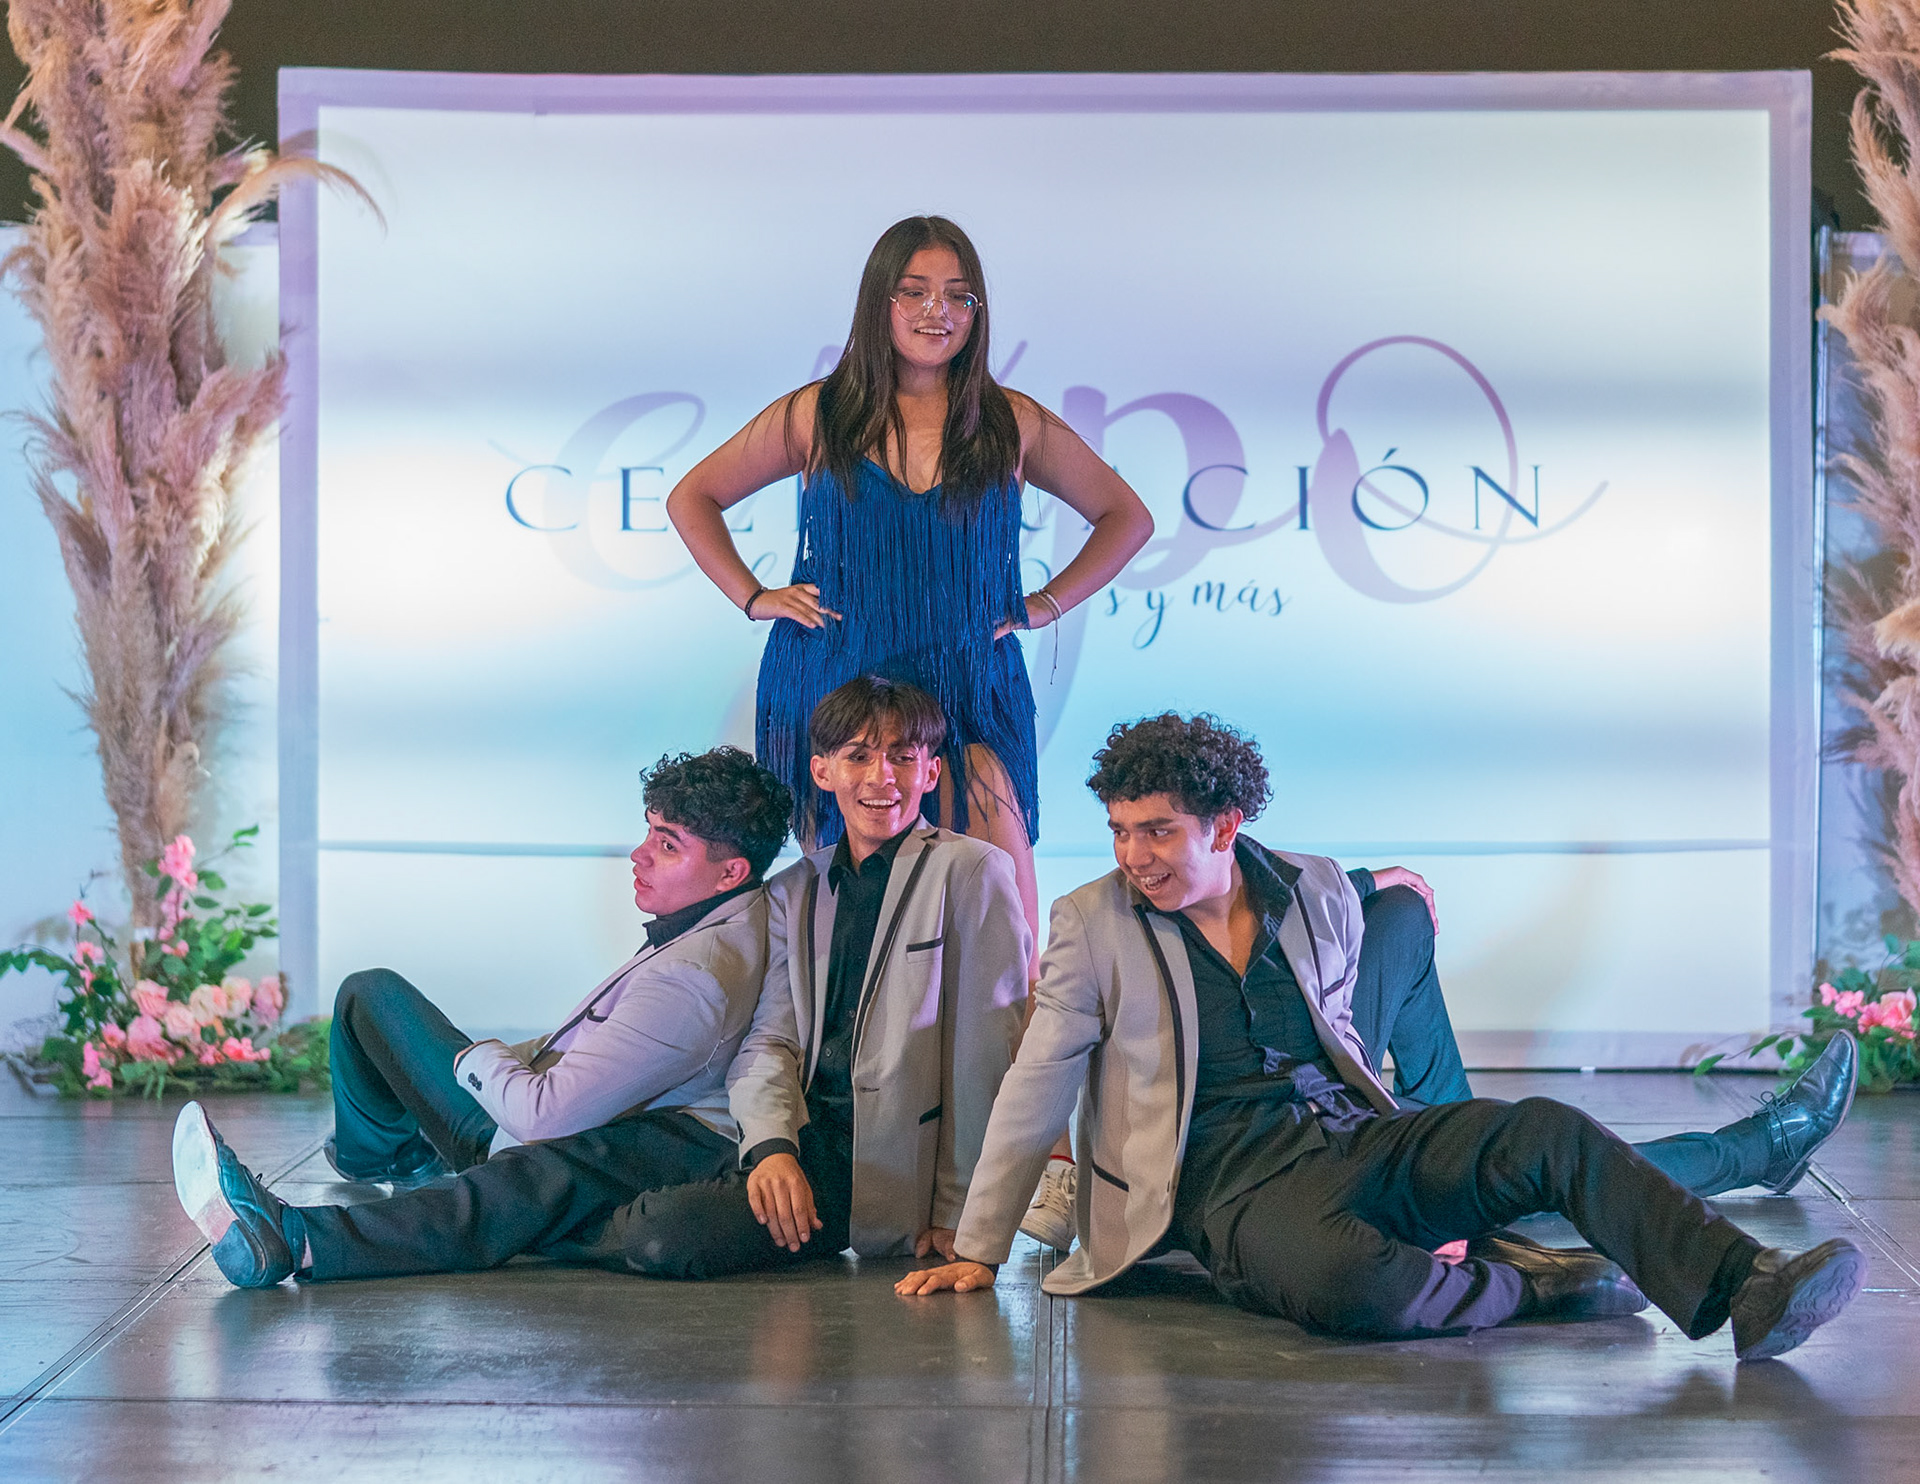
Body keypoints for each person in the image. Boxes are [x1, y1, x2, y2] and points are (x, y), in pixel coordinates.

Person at [899, 714, 1866, 1363]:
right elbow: (1036, 1080)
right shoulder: (1091, 921)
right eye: (1118, 831)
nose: (1132, 856)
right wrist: (981, 1246)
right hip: (1224, 1184)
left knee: (1545, 1129)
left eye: (1156, 832)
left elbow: (1343, 1004)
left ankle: (1750, 1285)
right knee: (1346, 1286)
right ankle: (1527, 1288)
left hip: (1353, 1137)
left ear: (1225, 826)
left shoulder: (1316, 886)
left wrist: (1378, 890)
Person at [171, 748, 793, 1287]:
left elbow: (543, 1116)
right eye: (649, 833)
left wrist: (478, 1057)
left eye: (667, 845)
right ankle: (391, 1160)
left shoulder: (692, 981)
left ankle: (290, 1237)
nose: (639, 855)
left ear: (730, 872)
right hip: (547, 1113)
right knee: (370, 994)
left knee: (500, 1181)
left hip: (537, 1135)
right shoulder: (740, 915)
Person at [621, 674, 1031, 1278]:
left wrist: (961, 1210)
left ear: (931, 772)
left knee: (664, 1234)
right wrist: (771, 1147)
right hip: (798, 1137)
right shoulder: (796, 887)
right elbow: (771, 1039)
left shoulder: (971, 870)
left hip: (882, 1166)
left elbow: (985, 1056)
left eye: (902, 757)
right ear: (822, 771)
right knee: (605, 1163)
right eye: (858, 756)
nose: (882, 777)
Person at [1332, 872, 1859, 1200]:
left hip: (1320, 1077)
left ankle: (1454, 1136)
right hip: (1308, 1130)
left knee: (1399, 912)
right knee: (1541, 1158)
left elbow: (1290, 888)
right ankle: (1760, 1149)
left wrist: (1356, 882)